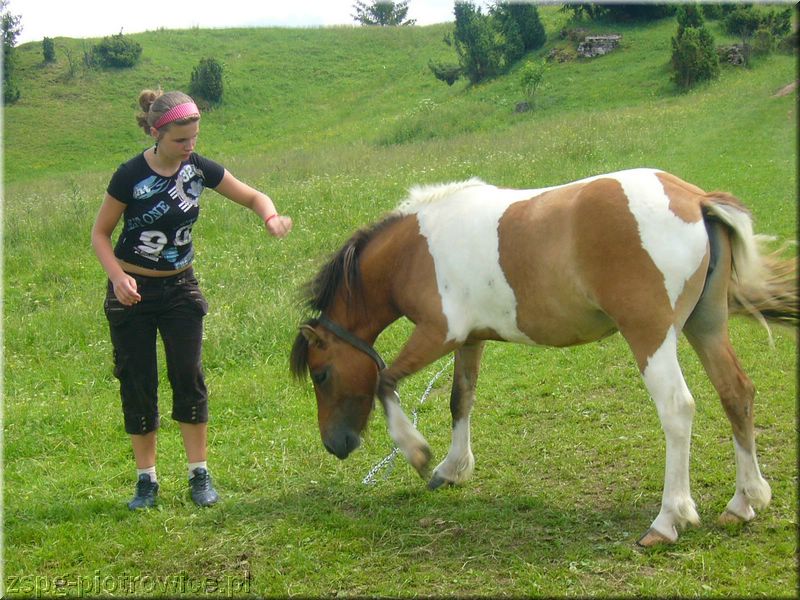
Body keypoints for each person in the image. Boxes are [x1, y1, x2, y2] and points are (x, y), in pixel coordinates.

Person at [92, 89, 292, 510]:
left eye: (195, 138)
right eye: (182, 140)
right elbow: (100, 234)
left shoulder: (197, 169)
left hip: (181, 289)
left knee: (189, 377)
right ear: (156, 133)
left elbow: (254, 196)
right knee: (138, 382)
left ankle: (198, 474)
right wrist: (116, 278)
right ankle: (146, 481)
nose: (190, 147)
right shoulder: (129, 175)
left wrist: (270, 217)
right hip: (133, 295)